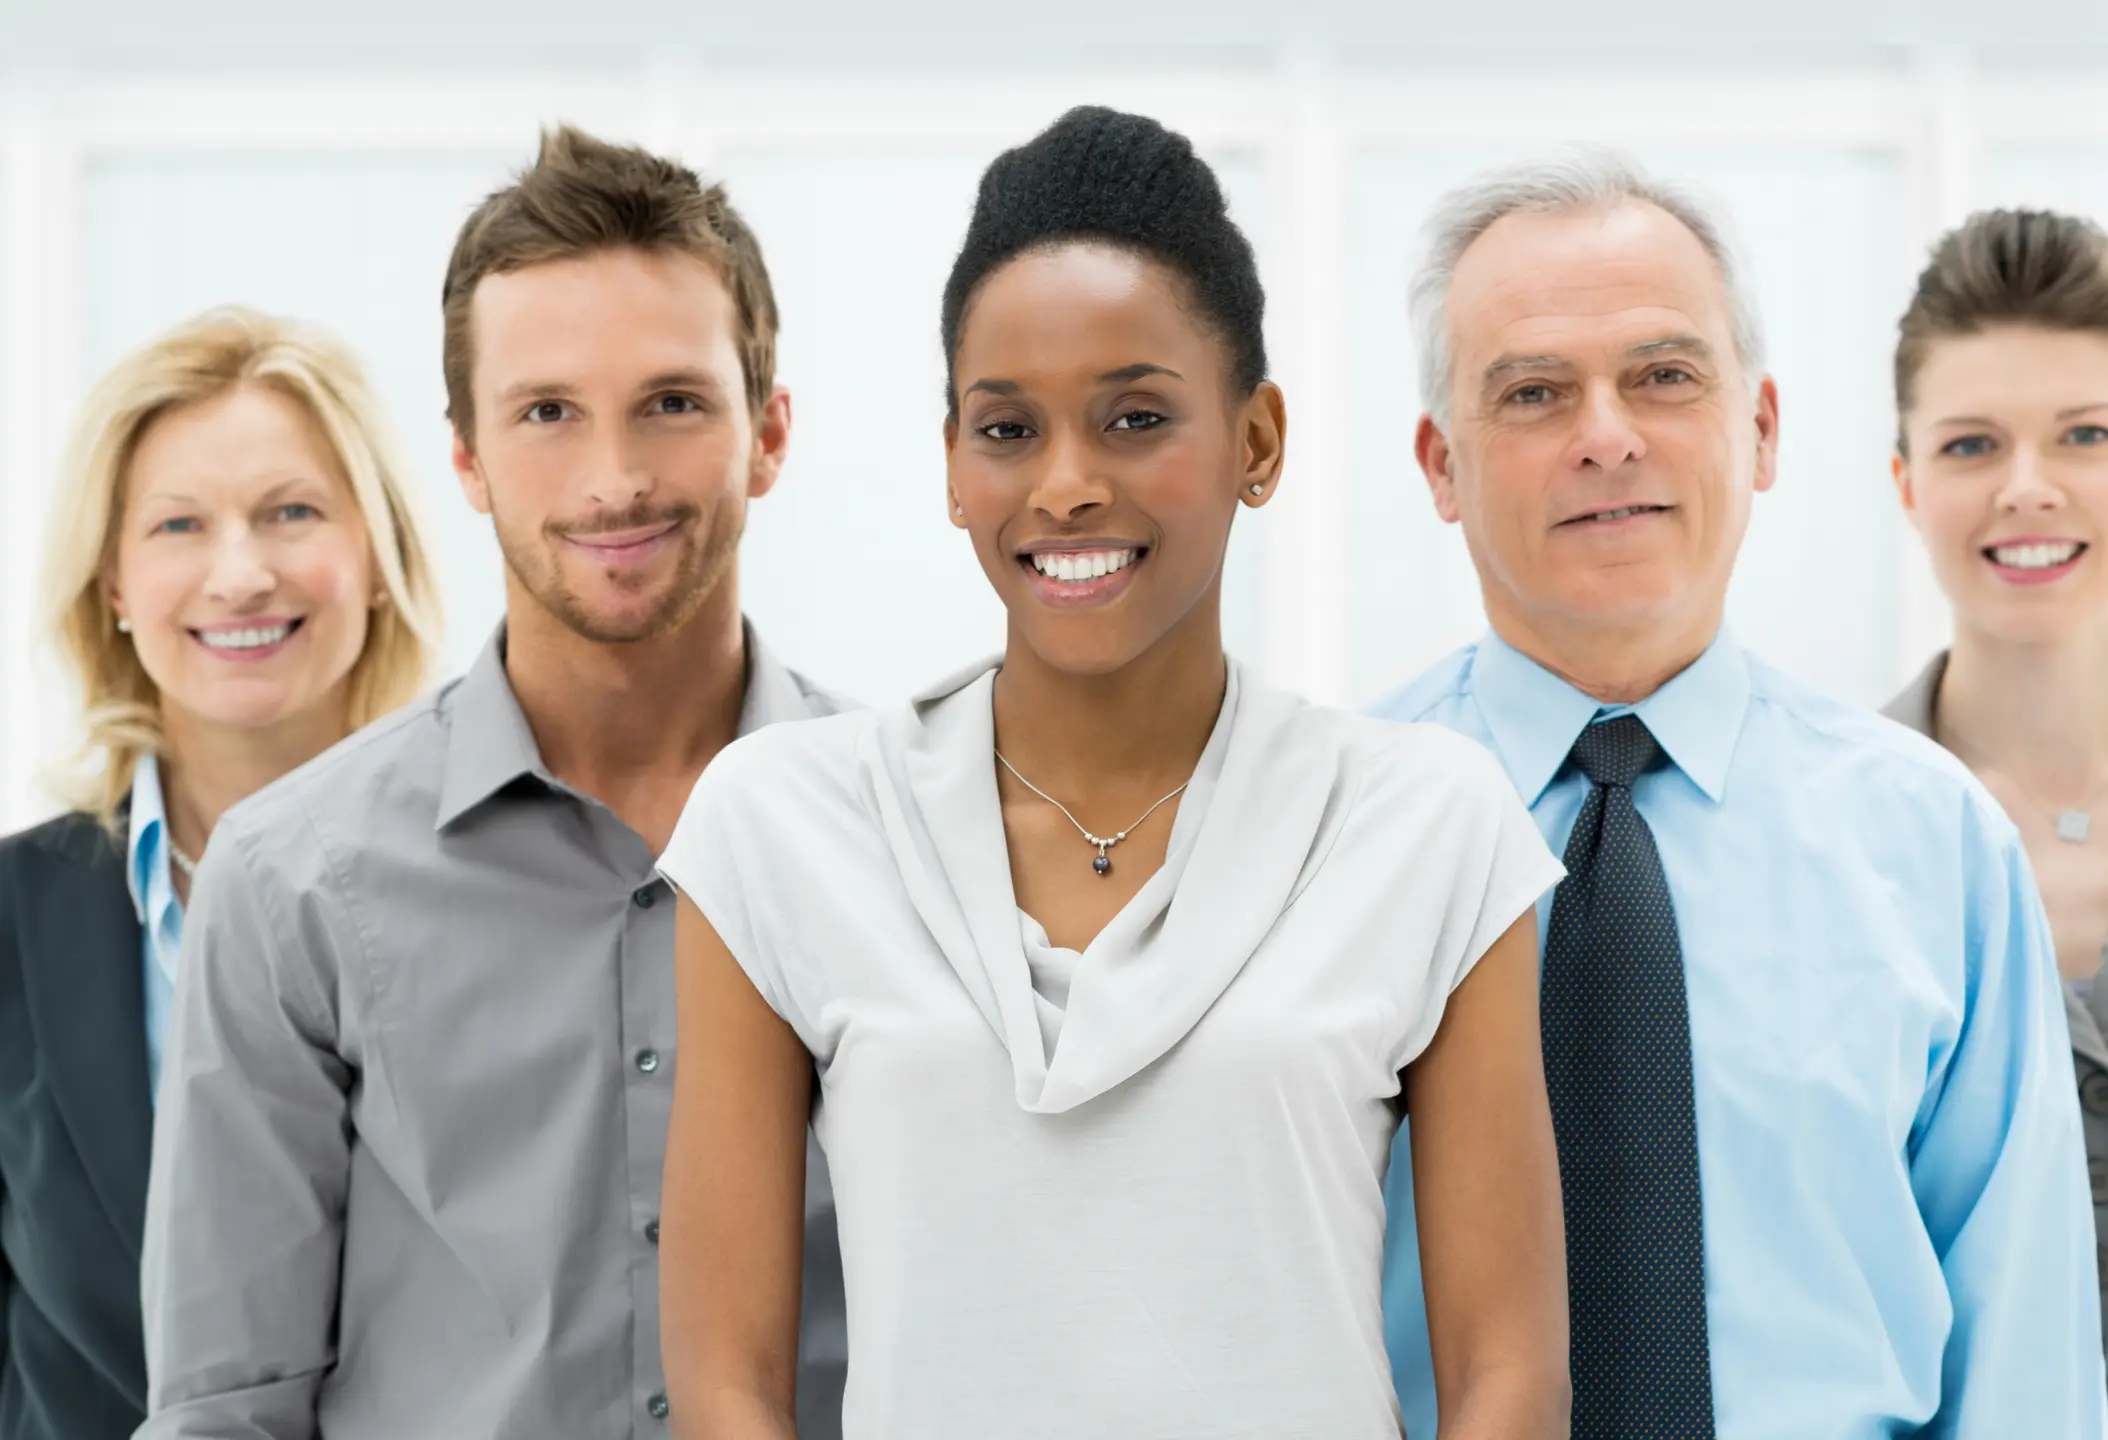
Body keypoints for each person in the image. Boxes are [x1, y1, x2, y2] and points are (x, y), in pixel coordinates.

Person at [655, 105, 1571, 1440]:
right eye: (1007, 429)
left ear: (1257, 442)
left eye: (1135, 417)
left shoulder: (1427, 824)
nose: (1067, 484)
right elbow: (726, 1384)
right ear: (952, 464)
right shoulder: (782, 826)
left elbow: (1507, 1375)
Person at [1374, 152, 2106, 1439]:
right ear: (1439, 464)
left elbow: (2023, 1365)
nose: (1606, 435)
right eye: (1534, 392)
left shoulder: (1933, 844)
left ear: (1760, 431)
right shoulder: (1329, 837)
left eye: (1663, 376)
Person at [137, 128, 850, 1439]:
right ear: (465, 457)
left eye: (672, 402)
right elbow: (228, 1411)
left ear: (769, 433)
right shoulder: (292, 881)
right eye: (546, 412)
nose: (613, 479)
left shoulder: (916, 839)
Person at [0, 306, 443, 1440]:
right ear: (112, 581)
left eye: (292, 512)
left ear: (378, 557)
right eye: (178, 524)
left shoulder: (504, 883)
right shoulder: (12, 917)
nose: (239, 574)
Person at [1883, 206, 2108, 1363]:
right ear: (1904, 482)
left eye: (2084, 435)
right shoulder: (1819, 837)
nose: (2026, 488)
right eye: (1970, 446)